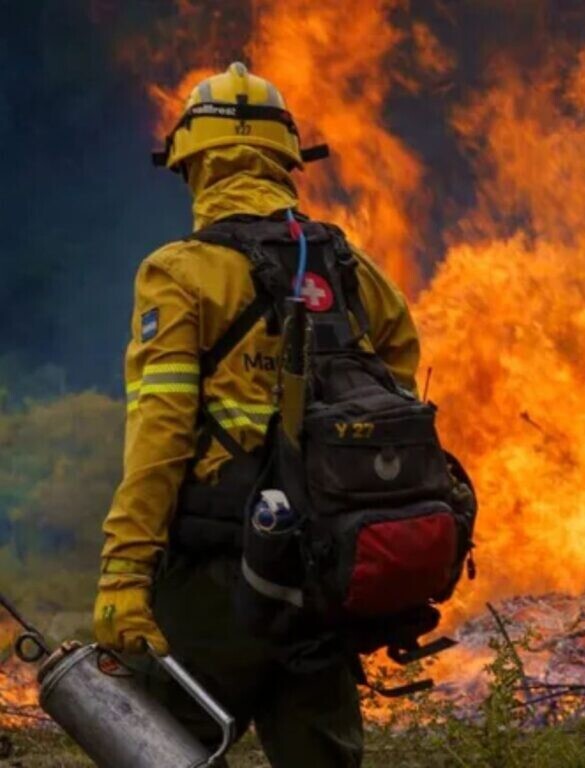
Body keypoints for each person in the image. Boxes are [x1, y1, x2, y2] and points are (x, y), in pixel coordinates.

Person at [92, 62, 420, 767]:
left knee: (148, 742)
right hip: (324, 570)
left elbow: (160, 433)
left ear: (190, 166)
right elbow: (398, 384)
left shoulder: (178, 274)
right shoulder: (351, 270)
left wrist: (124, 573)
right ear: (288, 163)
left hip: (221, 576)